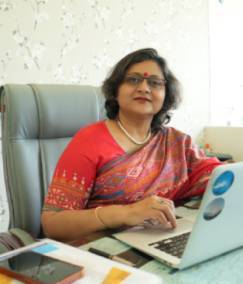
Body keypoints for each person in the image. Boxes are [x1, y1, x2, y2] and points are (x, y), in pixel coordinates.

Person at [41, 48, 221, 242]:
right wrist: (125, 213)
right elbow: (52, 224)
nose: (144, 88)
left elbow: (220, 177)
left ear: (166, 94)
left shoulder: (177, 143)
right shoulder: (89, 141)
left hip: (160, 239)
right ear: (116, 91)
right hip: (99, 250)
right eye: (133, 80)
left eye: (154, 82)